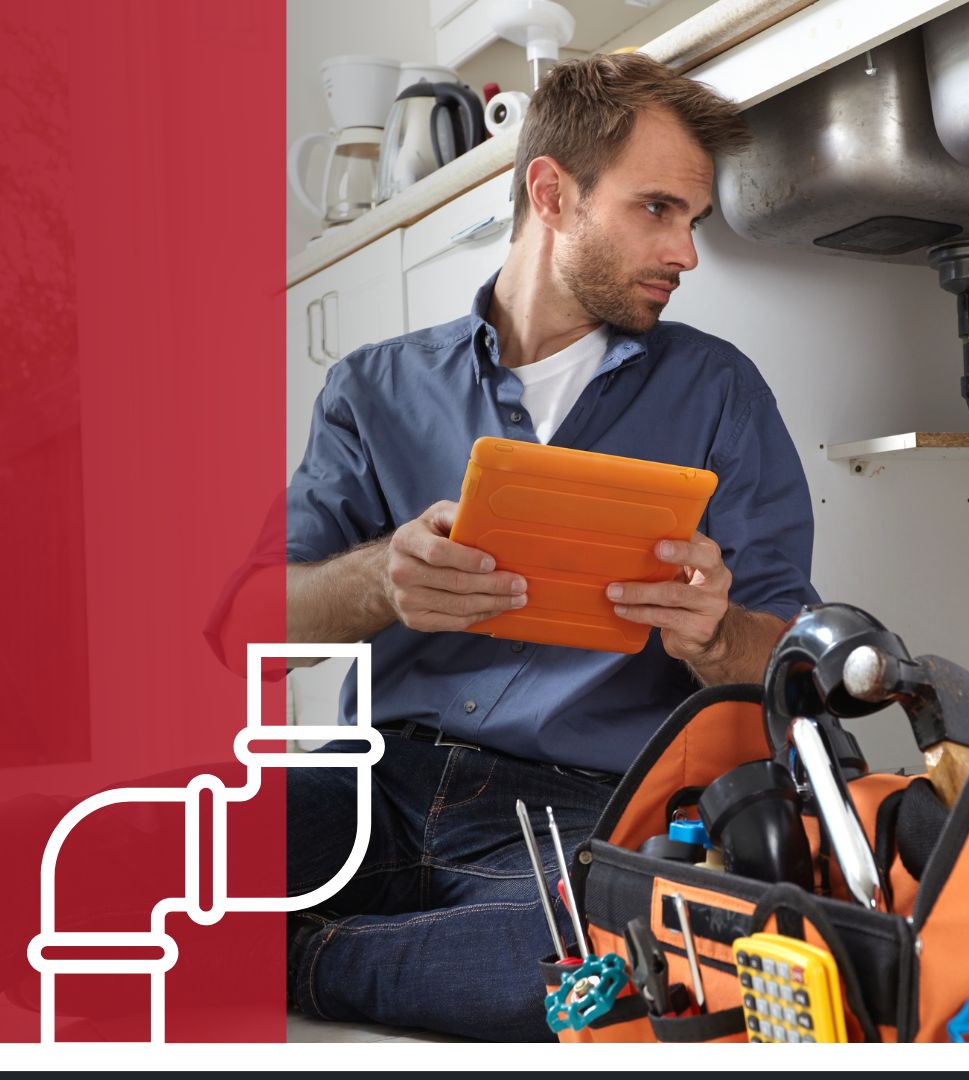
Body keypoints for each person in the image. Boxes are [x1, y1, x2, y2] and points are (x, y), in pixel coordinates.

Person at [211, 52, 819, 1041]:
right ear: (552, 193)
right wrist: (383, 580)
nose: (687, 254)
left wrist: (714, 637)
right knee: (111, 869)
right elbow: (244, 624)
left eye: (692, 222)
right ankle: (380, 948)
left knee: (621, 957)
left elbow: (785, 663)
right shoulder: (374, 390)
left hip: (578, 811)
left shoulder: (720, 392)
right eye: (656, 210)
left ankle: (290, 957)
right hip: (375, 782)